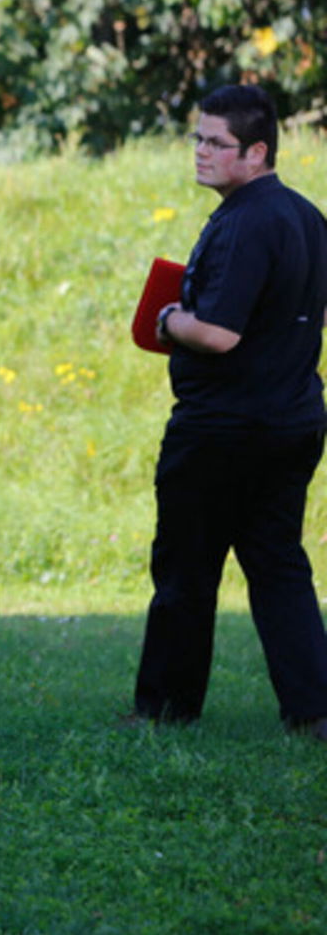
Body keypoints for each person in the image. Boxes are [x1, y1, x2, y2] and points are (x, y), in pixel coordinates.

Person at [133, 83, 327, 742]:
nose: (201, 152)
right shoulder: (306, 217)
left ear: (257, 151)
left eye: (217, 143)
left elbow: (218, 333)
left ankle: (165, 709)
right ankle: (315, 711)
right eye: (198, 138)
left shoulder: (245, 221)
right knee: (278, 565)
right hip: (294, 420)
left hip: (222, 429)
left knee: (186, 568)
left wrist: (167, 317)